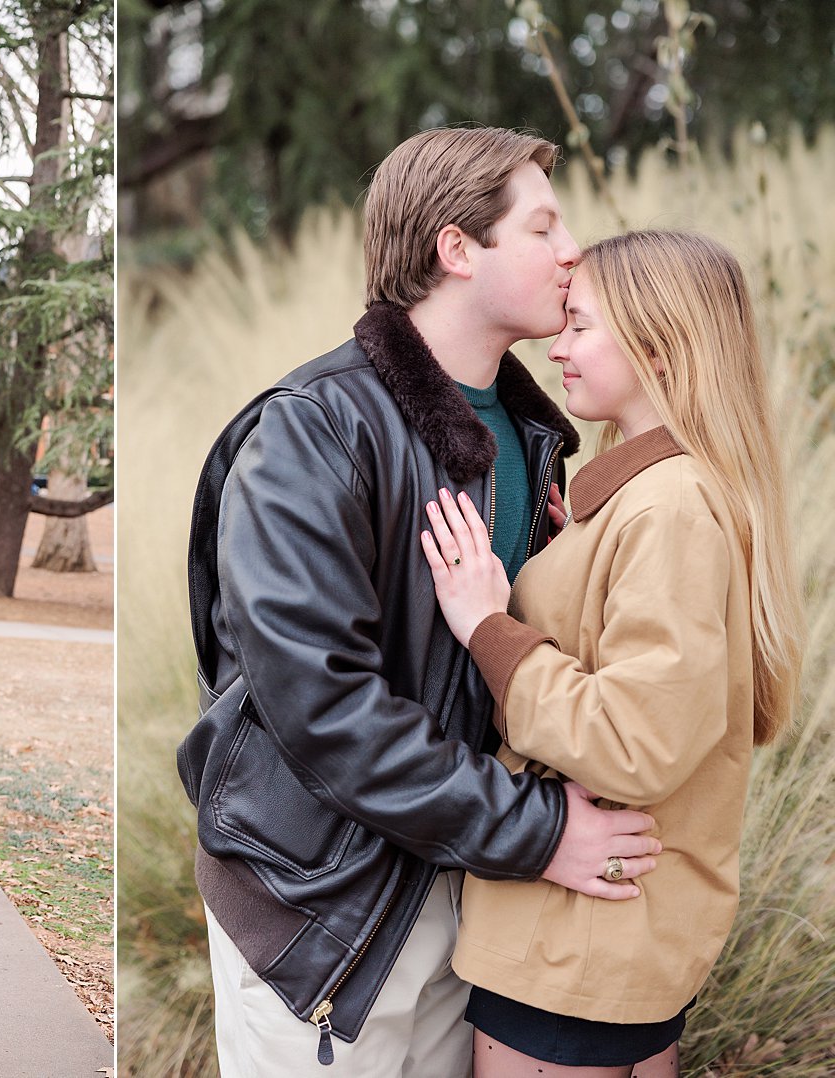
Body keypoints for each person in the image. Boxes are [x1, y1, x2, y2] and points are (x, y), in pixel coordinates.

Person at [176, 126, 664, 1077]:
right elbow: (323, 711)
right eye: (542, 226)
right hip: (325, 906)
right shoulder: (312, 433)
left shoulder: (533, 436)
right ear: (456, 248)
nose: (572, 252)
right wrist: (543, 831)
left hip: (468, 891)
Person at [420, 230, 803, 1077]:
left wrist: (489, 624)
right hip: (614, 934)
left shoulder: (668, 511)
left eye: (581, 326)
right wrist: (574, 554)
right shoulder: (665, 496)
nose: (555, 346)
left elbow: (636, 740)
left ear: (658, 349)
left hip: (576, 941)